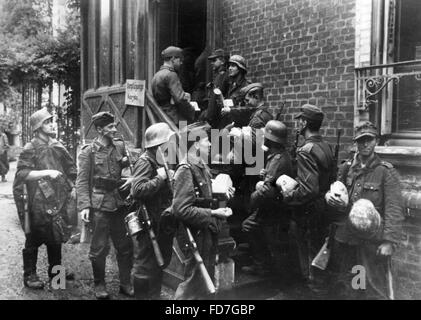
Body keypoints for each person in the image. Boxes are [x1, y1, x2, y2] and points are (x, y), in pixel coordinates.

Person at [325, 121, 404, 299]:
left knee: (374, 288)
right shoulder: (346, 169)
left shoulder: (385, 172)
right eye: (361, 141)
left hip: (371, 242)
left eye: (369, 140)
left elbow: (394, 209)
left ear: (376, 141)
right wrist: (329, 198)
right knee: (351, 285)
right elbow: (337, 194)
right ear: (356, 143)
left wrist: (389, 241)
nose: (365, 144)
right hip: (347, 238)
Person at [14, 108, 76, 289]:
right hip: (37, 202)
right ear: (39, 127)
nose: (52, 124)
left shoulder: (57, 145)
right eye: (47, 122)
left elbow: (70, 168)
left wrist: (72, 186)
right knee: (33, 237)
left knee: (56, 237)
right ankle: (30, 275)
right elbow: (22, 174)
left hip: (58, 199)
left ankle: (56, 276)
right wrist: (47, 172)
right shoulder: (30, 148)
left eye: (51, 121)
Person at [172, 122, 234, 300]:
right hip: (194, 234)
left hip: (205, 231)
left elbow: (202, 197)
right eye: (207, 141)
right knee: (193, 281)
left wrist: (224, 193)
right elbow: (182, 209)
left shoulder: (200, 166)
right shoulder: (185, 169)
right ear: (197, 144)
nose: (210, 144)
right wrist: (214, 213)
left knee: (204, 280)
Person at [76, 111, 134, 299]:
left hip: (119, 203)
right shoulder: (88, 152)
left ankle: (125, 283)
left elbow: (129, 168)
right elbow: (82, 181)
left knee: (125, 246)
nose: (114, 129)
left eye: (114, 126)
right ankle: (99, 284)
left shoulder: (119, 146)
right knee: (99, 248)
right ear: (99, 129)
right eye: (110, 127)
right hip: (100, 205)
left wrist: (132, 178)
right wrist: (84, 206)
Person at [282, 104, 336, 295]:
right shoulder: (327, 146)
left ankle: (314, 291)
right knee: (320, 256)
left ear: (305, 122)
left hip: (308, 212)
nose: (298, 124)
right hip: (324, 208)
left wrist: (288, 196)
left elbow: (308, 189)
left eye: (300, 120)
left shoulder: (306, 150)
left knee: (309, 260)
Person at [241, 120, 293, 276]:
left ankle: (262, 265)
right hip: (275, 206)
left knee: (247, 225)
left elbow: (267, 191)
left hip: (272, 209)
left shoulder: (277, 160)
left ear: (271, 139)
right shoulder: (279, 156)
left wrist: (252, 199)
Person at [130, 122, 175, 300]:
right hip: (148, 220)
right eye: (168, 141)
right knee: (144, 264)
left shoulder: (159, 158)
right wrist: (160, 178)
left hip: (161, 221)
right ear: (159, 143)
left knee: (159, 262)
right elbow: (137, 190)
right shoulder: (145, 161)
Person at [151, 46, 195, 125]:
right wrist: (192, 111)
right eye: (180, 60)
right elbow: (180, 100)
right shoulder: (171, 75)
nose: (181, 63)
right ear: (173, 59)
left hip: (161, 115)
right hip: (173, 118)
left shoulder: (157, 74)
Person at [218, 55, 251, 129]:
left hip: (241, 127)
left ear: (240, 69)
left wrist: (231, 111)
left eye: (233, 66)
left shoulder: (247, 86)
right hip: (230, 123)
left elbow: (249, 110)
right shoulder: (232, 85)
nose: (229, 68)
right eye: (229, 66)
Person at [202, 49, 230, 127]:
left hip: (217, 119)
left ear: (223, 61)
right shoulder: (221, 76)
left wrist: (208, 117)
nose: (212, 63)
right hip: (220, 117)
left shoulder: (222, 76)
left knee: (215, 138)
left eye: (214, 60)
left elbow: (215, 98)